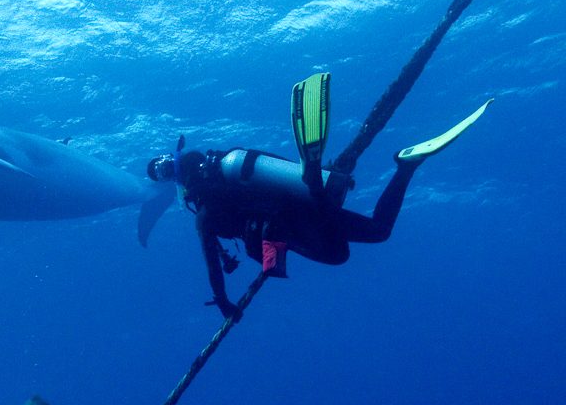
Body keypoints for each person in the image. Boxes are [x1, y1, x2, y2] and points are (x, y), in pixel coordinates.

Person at [147, 73, 492, 320]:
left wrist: (222, 301)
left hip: (290, 227)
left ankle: (394, 169)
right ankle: (385, 169)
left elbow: (212, 263)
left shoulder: (204, 213)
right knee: (378, 231)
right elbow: (273, 168)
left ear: (179, 182)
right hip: (299, 204)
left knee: (340, 254)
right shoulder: (229, 169)